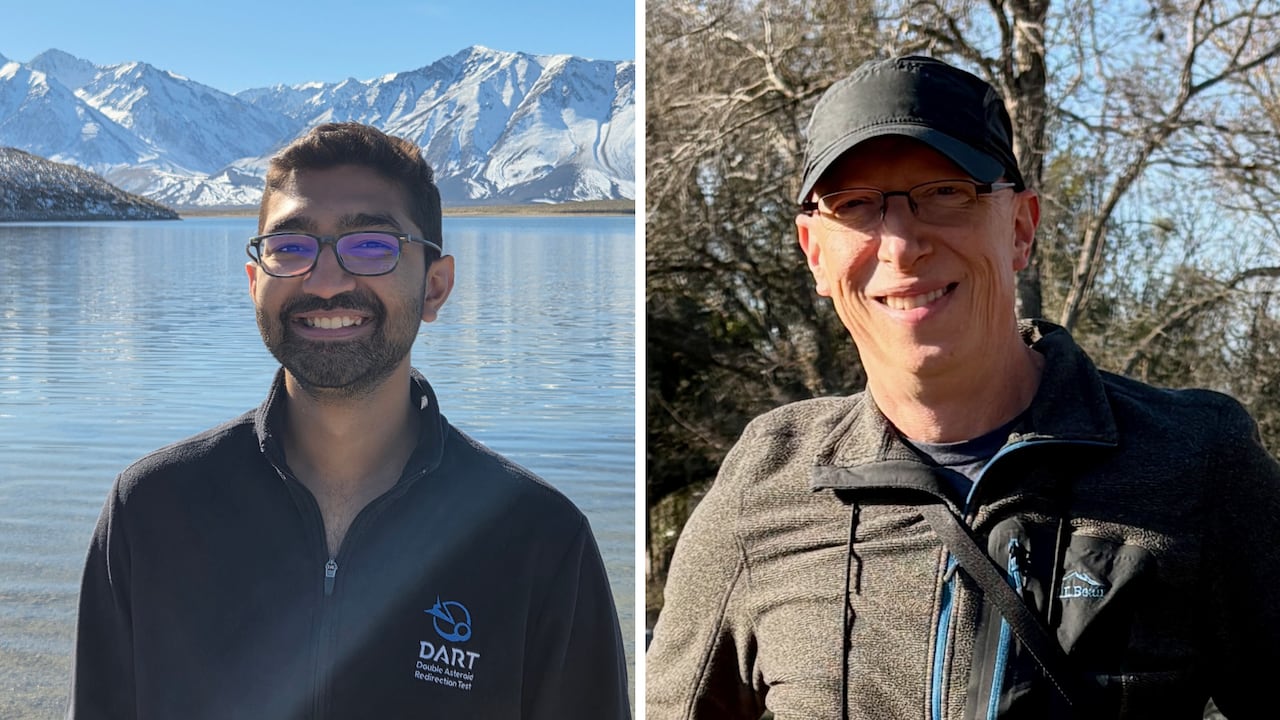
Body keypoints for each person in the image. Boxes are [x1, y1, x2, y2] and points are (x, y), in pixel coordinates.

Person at [645, 55, 1280, 719]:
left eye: (945, 192)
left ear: (1021, 227)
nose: (899, 244)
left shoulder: (1196, 462)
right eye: (855, 206)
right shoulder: (767, 483)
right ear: (814, 252)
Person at [68, 122, 630, 719]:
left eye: (371, 246)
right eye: (291, 248)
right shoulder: (151, 511)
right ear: (255, 281)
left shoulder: (539, 539)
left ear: (435, 286)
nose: (327, 281)